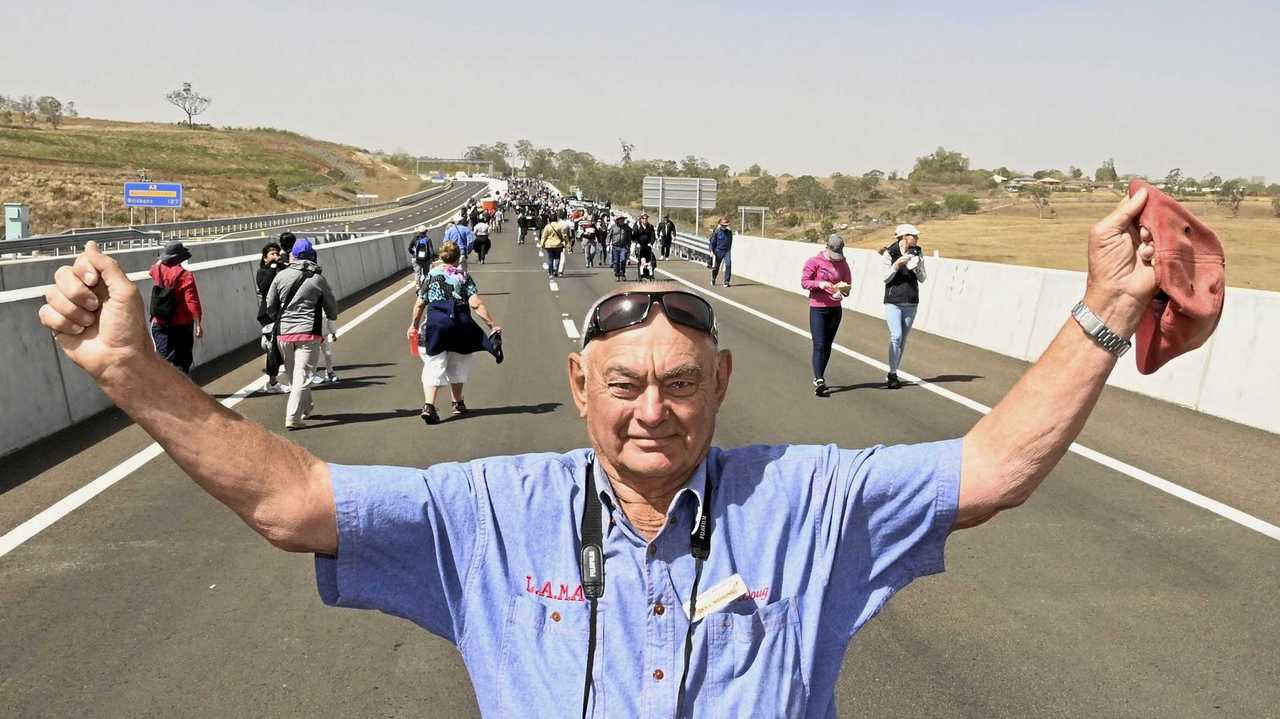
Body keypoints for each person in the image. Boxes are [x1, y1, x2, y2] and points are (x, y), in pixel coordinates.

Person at [36, 190, 1164, 717]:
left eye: (680, 384)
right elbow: (291, 498)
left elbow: (993, 465)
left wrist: (1104, 310)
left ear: (721, 384)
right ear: (578, 387)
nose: (651, 412)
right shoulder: (489, 509)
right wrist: (132, 372)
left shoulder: (813, 496)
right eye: (622, 384)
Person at [406, 241, 503, 425]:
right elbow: (476, 304)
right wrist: (492, 325)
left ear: (440, 256)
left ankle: (429, 406)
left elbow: (420, 304)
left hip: (436, 325)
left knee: (435, 363)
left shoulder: (431, 275)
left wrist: (414, 325)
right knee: (459, 361)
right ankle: (457, 403)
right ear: (458, 257)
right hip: (460, 325)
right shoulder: (462, 276)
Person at [264, 239, 338, 430]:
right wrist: (331, 318)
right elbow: (331, 305)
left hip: (284, 334)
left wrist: (281, 318)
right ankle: (293, 417)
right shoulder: (318, 278)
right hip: (308, 334)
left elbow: (270, 305)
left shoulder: (280, 276)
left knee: (294, 377)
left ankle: (307, 406)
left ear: (292, 255)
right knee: (302, 376)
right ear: (312, 255)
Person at [801, 235, 854, 397]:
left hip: (835, 309)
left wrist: (842, 291)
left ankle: (820, 375)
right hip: (818, 308)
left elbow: (848, 287)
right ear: (827, 247)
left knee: (827, 345)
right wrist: (819, 284)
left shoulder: (843, 264)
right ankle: (819, 379)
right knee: (819, 344)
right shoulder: (814, 261)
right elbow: (804, 282)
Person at [882, 224, 928, 389]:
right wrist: (896, 266)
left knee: (903, 339)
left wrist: (917, 269)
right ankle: (893, 374)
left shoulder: (917, 252)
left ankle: (893, 372)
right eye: (914, 236)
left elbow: (923, 278)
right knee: (896, 336)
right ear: (904, 237)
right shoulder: (890, 253)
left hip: (911, 301)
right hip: (893, 301)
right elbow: (885, 278)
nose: (916, 239)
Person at [148, 241, 203, 374]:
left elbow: (151, 269)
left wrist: (161, 260)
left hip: (160, 322)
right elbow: (192, 302)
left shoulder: (157, 271)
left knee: (164, 361)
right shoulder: (185, 275)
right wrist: (197, 323)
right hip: (181, 325)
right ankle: (181, 388)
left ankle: (166, 389)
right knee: (183, 361)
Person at [255, 241, 289, 394]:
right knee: (272, 348)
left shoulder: (284, 269)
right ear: (264, 258)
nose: (275, 256)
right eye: (272, 254)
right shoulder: (262, 272)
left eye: (277, 253)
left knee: (287, 346)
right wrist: (273, 267)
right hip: (269, 315)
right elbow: (265, 287)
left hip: (283, 312)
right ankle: (272, 382)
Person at [310, 316, 340, 386]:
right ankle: (312, 374)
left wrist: (333, 333)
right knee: (313, 356)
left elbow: (330, 320)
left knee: (328, 354)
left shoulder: (324, 309)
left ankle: (330, 372)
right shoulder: (307, 309)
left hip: (323, 336)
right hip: (312, 337)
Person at [407, 224, 435, 289]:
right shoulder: (428, 239)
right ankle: (425, 287)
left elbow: (409, 248)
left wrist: (414, 254)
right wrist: (432, 260)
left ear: (419, 232)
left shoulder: (415, 238)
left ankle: (418, 288)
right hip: (426, 259)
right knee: (426, 273)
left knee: (417, 273)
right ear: (425, 231)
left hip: (416, 259)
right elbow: (431, 251)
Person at [708, 217, 734, 287]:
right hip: (718, 251)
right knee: (716, 267)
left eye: (726, 225)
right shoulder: (716, 232)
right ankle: (713, 278)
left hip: (727, 251)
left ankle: (726, 281)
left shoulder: (729, 232)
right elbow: (712, 243)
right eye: (723, 225)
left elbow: (730, 242)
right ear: (720, 225)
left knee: (728, 265)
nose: (725, 226)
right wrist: (711, 251)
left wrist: (728, 250)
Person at [607, 214, 631, 281]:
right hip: (615, 247)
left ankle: (623, 274)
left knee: (623, 260)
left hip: (623, 247)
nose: (622, 220)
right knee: (616, 261)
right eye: (620, 219)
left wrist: (629, 246)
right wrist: (608, 245)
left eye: (623, 219)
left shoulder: (627, 228)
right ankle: (617, 274)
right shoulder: (613, 227)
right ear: (617, 220)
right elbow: (609, 236)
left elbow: (629, 237)